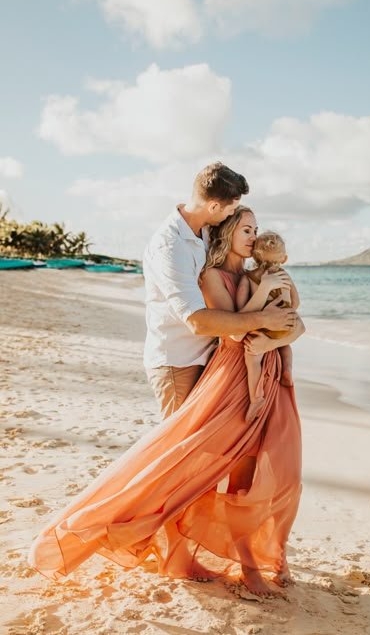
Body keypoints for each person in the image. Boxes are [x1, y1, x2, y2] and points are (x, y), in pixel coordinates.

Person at [29, 206, 304, 598]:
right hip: (230, 374)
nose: (254, 236)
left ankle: (265, 556)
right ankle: (218, 560)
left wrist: (276, 337)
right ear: (227, 232)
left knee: (276, 470)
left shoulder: (251, 274)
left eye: (256, 230)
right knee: (188, 465)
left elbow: (292, 321)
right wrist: (266, 326)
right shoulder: (212, 275)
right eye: (246, 229)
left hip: (263, 375)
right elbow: (231, 331)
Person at [143, 162, 296, 420]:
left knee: (205, 446)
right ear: (213, 206)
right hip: (178, 360)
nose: (230, 216)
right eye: (231, 210)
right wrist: (263, 319)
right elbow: (196, 321)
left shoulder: (207, 230)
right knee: (179, 446)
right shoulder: (170, 248)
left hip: (211, 356)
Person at [234, 231, 299, 423]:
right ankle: (287, 370)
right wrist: (286, 311)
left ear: (253, 255)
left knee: (253, 361)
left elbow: (242, 310)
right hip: (286, 323)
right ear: (284, 258)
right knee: (285, 346)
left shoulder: (249, 278)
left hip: (262, 325)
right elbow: (296, 302)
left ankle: (256, 398)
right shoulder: (285, 275)